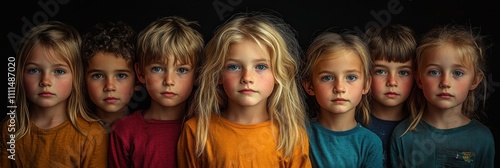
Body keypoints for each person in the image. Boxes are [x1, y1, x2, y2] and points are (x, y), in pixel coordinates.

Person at [177, 11, 311, 167]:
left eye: (261, 66)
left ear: (278, 74)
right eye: (234, 67)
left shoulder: (291, 135)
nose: (247, 77)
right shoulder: (197, 132)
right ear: (218, 74)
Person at [0, 21, 108, 167]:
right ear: (20, 75)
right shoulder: (10, 130)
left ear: (76, 76)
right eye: (34, 70)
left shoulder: (91, 134)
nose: (45, 81)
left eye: (59, 71)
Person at [390, 25, 495, 167]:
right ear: (419, 79)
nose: (445, 83)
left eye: (457, 73)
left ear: (475, 80)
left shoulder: (482, 138)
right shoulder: (403, 135)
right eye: (434, 72)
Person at [108, 16, 204, 168]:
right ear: (140, 73)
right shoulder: (124, 131)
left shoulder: (204, 129)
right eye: (158, 69)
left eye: (182, 70)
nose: (169, 81)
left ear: (197, 75)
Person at [301, 31, 383, 168]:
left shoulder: (370, 143)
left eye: (351, 77)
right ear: (310, 86)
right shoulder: (299, 135)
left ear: (366, 84)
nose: (339, 88)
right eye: (327, 78)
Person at [363, 24, 417, 168]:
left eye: (403, 72)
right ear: (366, 75)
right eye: (381, 71)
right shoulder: (352, 123)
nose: (392, 82)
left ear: (417, 77)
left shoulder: (421, 128)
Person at [81, 21, 137, 132]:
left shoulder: (142, 131)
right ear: (83, 79)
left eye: (121, 75)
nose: (109, 86)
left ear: (138, 79)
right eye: (97, 76)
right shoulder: (76, 131)